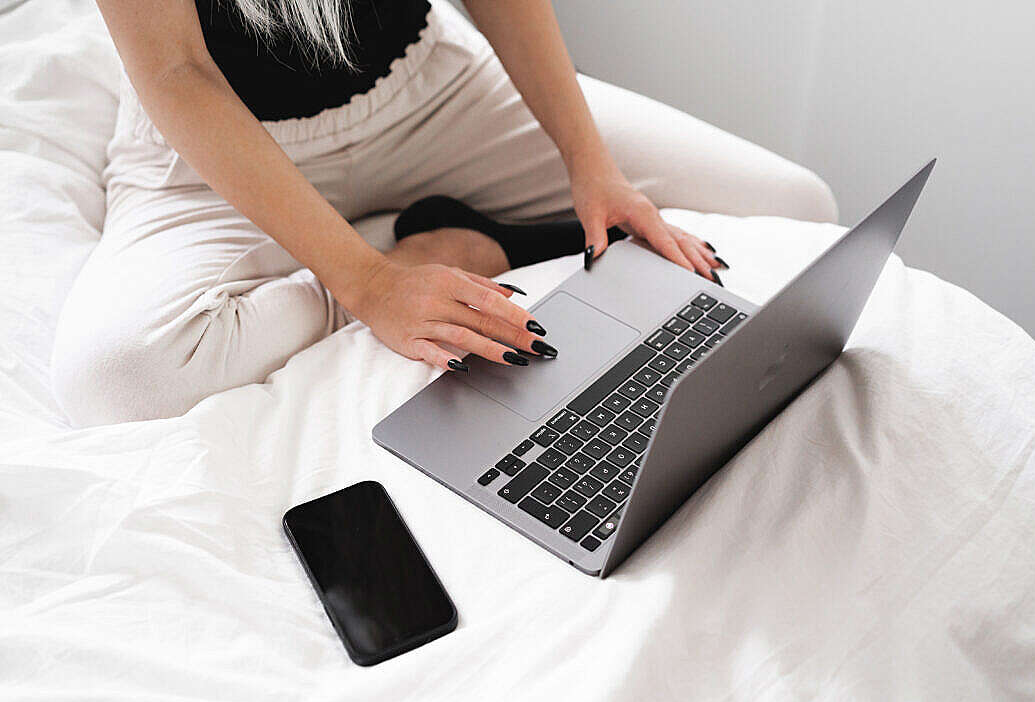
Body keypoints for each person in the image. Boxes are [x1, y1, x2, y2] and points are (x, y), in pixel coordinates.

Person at [52, 0, 837, 427]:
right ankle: (417, 251)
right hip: (216, 153)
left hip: (428, 94)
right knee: (114, 379)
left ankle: (411, 249)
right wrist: (368, 284)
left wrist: (588, 163)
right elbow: (176, 69)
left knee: (797, 206)